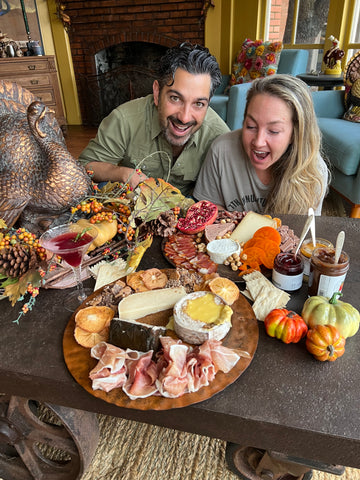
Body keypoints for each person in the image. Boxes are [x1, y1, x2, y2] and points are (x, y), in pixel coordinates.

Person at [79, 42, 230, 197]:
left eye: (198, 104)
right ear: (157, 93)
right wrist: (122, 173)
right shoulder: (123, 120)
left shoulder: (220, 137)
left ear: (209, 103)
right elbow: (85, 166)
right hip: (133, 205)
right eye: (175, 98)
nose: (184, 117)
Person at [193, 74, 329, 215]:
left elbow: (304, 230)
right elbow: (208, 208)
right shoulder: (221, 150)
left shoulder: (313, 171)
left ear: (295, 134)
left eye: (273, 131)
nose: (258, 142)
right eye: (251, 126)